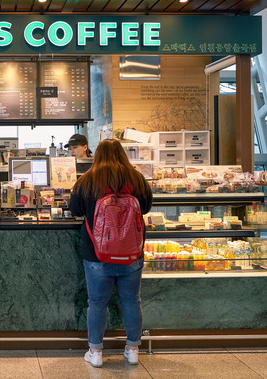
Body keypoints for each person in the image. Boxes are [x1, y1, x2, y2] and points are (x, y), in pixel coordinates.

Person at [68, 139, 153, 368]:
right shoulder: (136, 179)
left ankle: (95, 352)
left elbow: (75, 210)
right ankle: (133, 349)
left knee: (96, 303)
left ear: (97, 155)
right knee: (132, 301)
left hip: (97, 254)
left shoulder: (87, 180)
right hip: (131, 253)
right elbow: (145, 208)